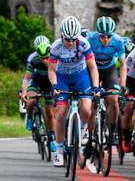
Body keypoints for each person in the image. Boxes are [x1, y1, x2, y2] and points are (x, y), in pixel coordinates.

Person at [47, 16, 100, 168]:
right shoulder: (56, 47)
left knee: (86, 109)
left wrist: (95, 87)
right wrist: (54, 85)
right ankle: (59, 151)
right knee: (60, 113)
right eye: (67, 39)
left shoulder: (84, 43)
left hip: (80, 77)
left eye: (73, 40)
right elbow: (51, 69)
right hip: (62, 78)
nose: (70, 43)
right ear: (61, 36)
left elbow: (92, 67)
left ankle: (82, 129)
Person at [86, 17, 127, 143]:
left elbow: (123, 65)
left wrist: (123, 86)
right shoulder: (90, 40)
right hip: (93, 70)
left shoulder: (118, 41)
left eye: (109, 36)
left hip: (109, 70)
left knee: (113, 100)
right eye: (102, 36)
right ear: (97, 34)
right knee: (92, 105)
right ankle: (90, 135)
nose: (106, 39)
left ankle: (113, 132)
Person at [20, 36, 54, 144]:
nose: (44, 60)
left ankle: (51, 137)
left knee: (50, 112)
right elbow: (26, 78)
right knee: (30, 101)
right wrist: (24, 92)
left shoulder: (55, 56)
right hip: (37, 81)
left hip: (49, 83)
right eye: (42, 57)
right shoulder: (33, 59)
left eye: (46, 57)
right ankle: (29, 116)